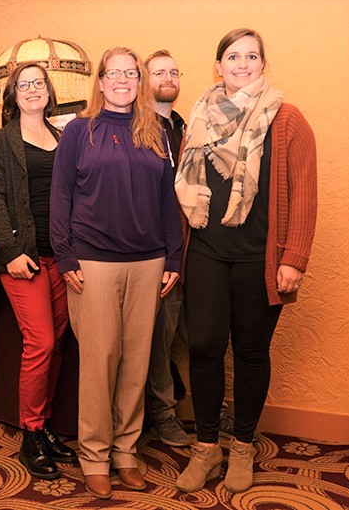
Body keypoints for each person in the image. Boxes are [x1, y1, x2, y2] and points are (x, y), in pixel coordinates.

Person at [175, 29, 316, 494]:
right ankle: (206, 447)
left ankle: (242, 446)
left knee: (252, 352)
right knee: (204, 348)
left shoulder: (287, 118)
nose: (242, 64)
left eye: (251, 56)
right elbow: (181, 191)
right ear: (218, 66)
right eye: (232, 57)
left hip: (260, 258)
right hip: (207, 252)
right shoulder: (198, 117)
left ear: (263, 64)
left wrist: (294, 259)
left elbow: (304, 193)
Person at [50, 47, 183, 499]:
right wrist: (65, 256)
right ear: (101, 81)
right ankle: (94, 456)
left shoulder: (156, 132)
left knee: (136, 361)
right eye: (114, 73)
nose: (123, 79)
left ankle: (126, 451)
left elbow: (167, 199)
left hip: (149, 262)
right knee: (100, 360)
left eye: (131, 72)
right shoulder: (78, 131)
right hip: (93, 262)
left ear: (139, 81)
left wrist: (174, 257)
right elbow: (61, 196)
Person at [0, 62, 77, 480]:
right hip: (23, 259)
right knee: (40, 341)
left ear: (49, 92)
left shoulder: (64, 137)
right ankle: (31, 433)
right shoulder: (0, 142)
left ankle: (46, 425)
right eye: (24, 84)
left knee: (56, 344)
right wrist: (10, 251)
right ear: (13, 95)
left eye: (39, 83)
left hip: (61, 257)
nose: (32, 89)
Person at [143, 49, 192, 448]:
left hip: (194, 248)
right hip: (157, 250)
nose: (168, 78)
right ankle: (163, 414)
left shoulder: (186, 127)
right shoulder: (138, 130)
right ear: (144, 80)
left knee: (202, 338)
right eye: (159, 72)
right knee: (160, 338)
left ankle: (214, 411)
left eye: (174, 72)